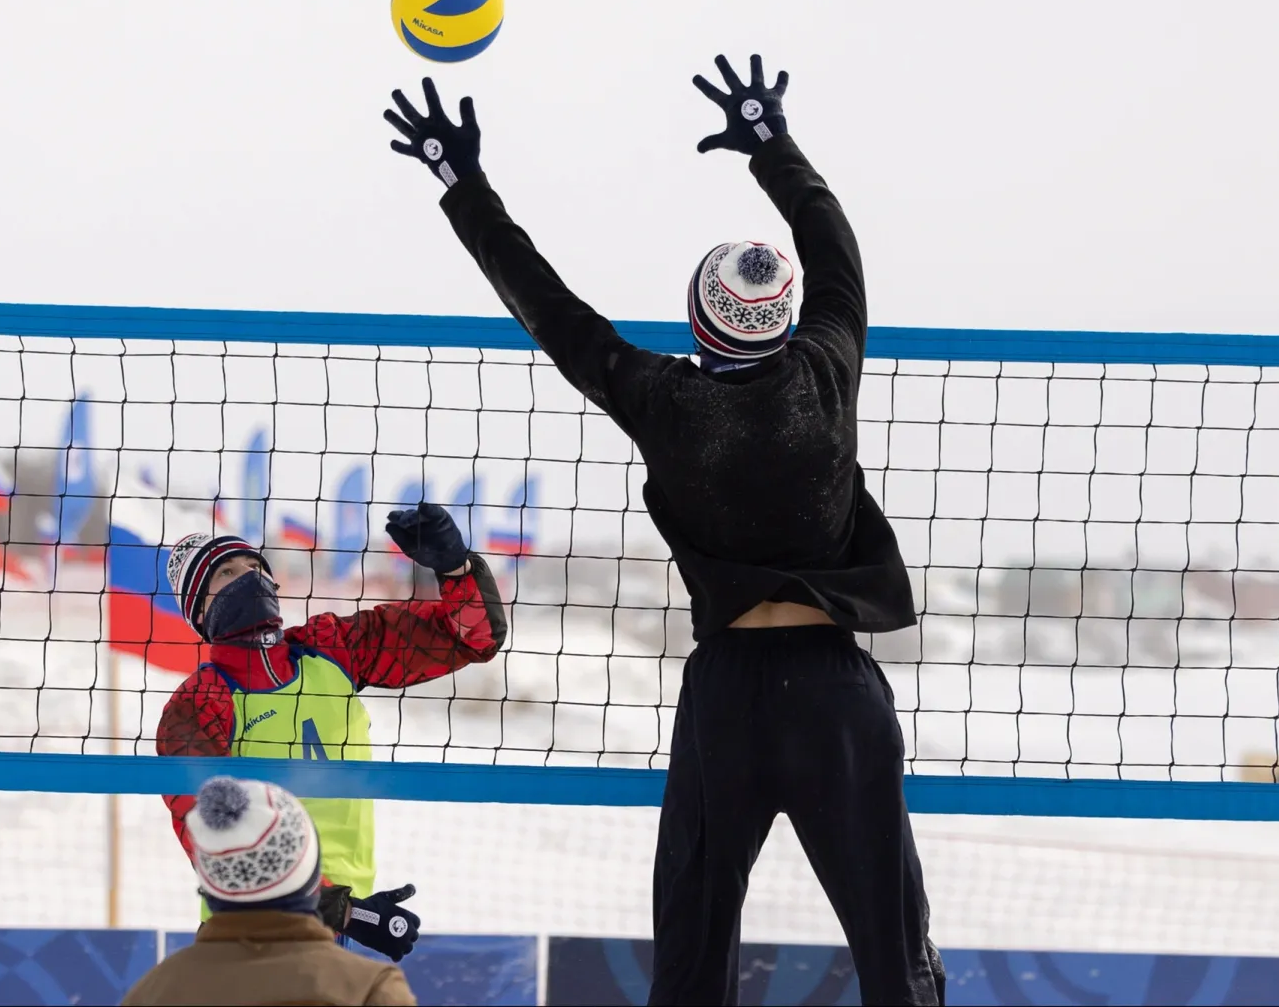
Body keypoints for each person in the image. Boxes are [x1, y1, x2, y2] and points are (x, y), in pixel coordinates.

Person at [382, 56, 946, 1005]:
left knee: (692, 956)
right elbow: (836, 243)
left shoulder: (665, 399)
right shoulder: (826, 370)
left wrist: (461, 181)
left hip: (728, 695)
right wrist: (771, 141)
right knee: (896, 955)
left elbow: (548, 308)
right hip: (832, 693)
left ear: (698, 321)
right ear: (787, 321)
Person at [154, 503, 508, 962]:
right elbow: (215, 838)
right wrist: (344, 912)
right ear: (199, 609)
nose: (249, 577)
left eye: (255, 566)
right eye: (227, 573)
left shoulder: (333, 648)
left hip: (343, 923)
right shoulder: (198, 704)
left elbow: (471, 639)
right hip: (250, 931)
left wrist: (456, 568)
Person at [123, 776, 418, 1006]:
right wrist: (347, 911)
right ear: (311, 872)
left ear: (211, 883)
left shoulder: (154, 993)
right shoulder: (370, 990)